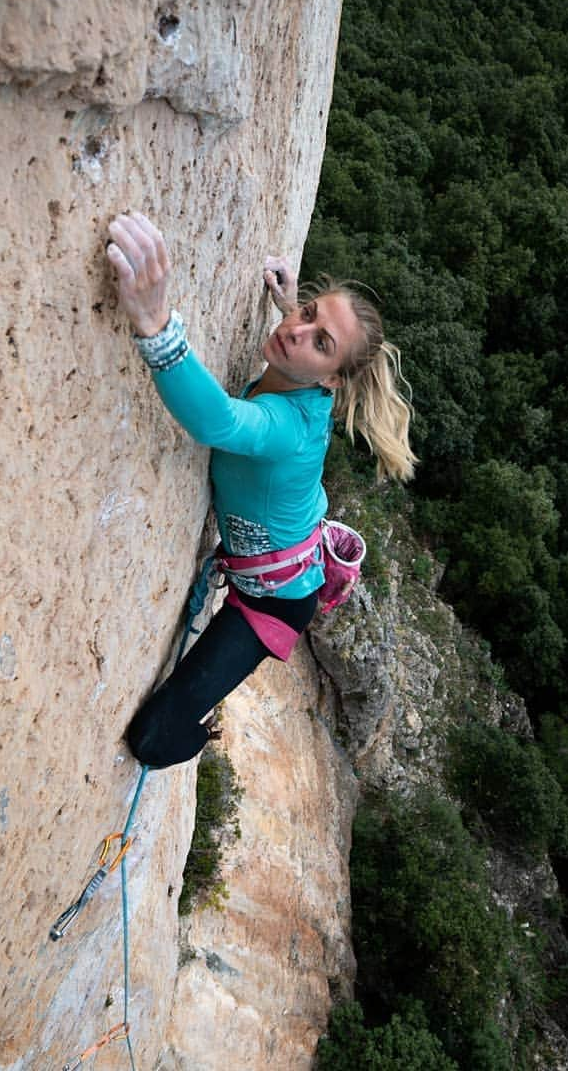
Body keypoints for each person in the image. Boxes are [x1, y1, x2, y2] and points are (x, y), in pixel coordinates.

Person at [105, 212, 417, 769]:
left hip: (273, 602)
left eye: (319, 342)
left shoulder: (288, 426)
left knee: (153, 740)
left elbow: (219, 423)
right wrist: (289, 304)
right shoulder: (304, 375)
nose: (294, 331)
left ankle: (205, 731)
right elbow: (299, 341)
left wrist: (155, 321)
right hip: (280, 561)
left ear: (331, 381)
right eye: (306, 313)